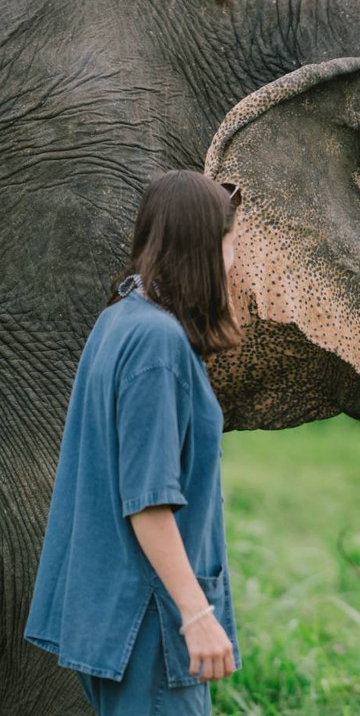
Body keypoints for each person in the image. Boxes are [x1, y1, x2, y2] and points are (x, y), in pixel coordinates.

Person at [25, 170, 245, 714]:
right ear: (204, 246)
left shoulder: (120, 318)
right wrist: (196, 615)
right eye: (231, 240)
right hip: (149, 626)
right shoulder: (157, 343)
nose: (236, 258)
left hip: (115, 617)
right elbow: (147, 501)